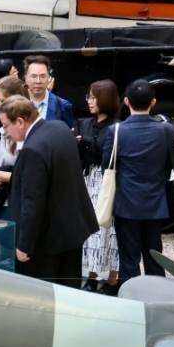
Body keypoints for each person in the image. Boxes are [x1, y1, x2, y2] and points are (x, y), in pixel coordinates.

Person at [0, 95, 98, 286]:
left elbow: (32, 203)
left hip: (47, 241)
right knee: (70, 289)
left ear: (20, 121)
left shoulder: (33, 150)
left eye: (5, 126)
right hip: (73, 229)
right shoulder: (59, 127)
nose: (5, 131)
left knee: (46, 298)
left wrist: (23, 245)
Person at [101, 80, 174, 285]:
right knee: (155, 257)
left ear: (126, 101)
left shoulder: (116, 131)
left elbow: (106, 165)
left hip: (126, 204)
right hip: (156, 203)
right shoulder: (166, 130)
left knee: (128, 259)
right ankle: (157, 300)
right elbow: (170, 164)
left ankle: (131, 303)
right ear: (153, 102)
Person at [75, 79, 121, 295]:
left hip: (105, 183)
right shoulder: (83, 123)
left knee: (104, 230)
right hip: (85, 180)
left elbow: (107, 156)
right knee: (86, 230)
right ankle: (88, 275)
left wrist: (84, 143)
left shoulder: (117, 127)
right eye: (88, 97)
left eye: (93, 97)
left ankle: (108, 277)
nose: (89, 101)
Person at [0, 75, 28, 219]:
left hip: (18, 204)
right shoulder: (3, 127)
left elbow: (29, 176)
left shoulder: (26, 132)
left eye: (0, 100)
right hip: (0, 200)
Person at [23, 55, 74, 128]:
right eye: (34, 76)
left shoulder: (63, 106)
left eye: (43, 76)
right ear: (25, 78)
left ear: (49, 78)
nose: (38, 81)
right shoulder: (16, 105)